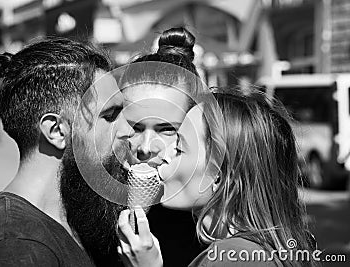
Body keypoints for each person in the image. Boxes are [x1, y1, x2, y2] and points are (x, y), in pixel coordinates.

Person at [0, 38, 134, 267]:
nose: (128, 131)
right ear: (56, 130)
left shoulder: (73, 221)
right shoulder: (19, 248)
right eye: (110, 115)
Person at [117, 88, 317, 266]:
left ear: (217, 177)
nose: (163, 156)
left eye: (178, 148)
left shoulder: (228, 259)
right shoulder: (271, 249)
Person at [119, 27, 206, 266]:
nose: (145, 148)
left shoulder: (218, 225)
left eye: (167, 129)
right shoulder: (94, 211)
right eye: (135, 127)